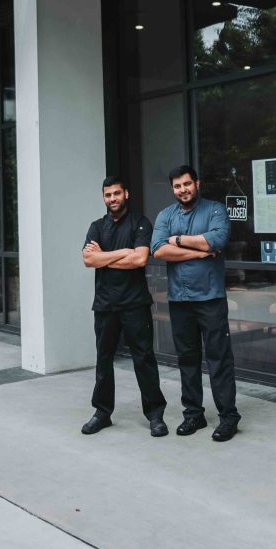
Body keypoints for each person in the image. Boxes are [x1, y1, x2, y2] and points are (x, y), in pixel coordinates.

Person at [151, 165, 241, 442]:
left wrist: (177, 240)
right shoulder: (165, 215)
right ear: (172, 189)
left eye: (187, 184)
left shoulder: (215, 210)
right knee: (187, 360)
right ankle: (194, 414)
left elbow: (216, 239)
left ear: (197, 183)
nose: (183, 190)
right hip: (180, 300)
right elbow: (158, 250)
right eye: (177, 186)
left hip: (211, 299)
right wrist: (200, 251)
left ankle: (228, 418)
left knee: (219, 360)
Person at [81, 176, 168, 437]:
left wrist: (103, 257)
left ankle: (155, 415)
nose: (112, 199)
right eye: (108, 195)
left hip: (135, 304)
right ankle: (102, 413)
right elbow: (88, 260)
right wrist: (122, 253)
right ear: (104, 197)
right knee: (103, 360)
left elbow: (140, 259)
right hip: (105, 305)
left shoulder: (140, 223)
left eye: (117, 193)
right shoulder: (97, 226)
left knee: (144, 359)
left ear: (126, 194)